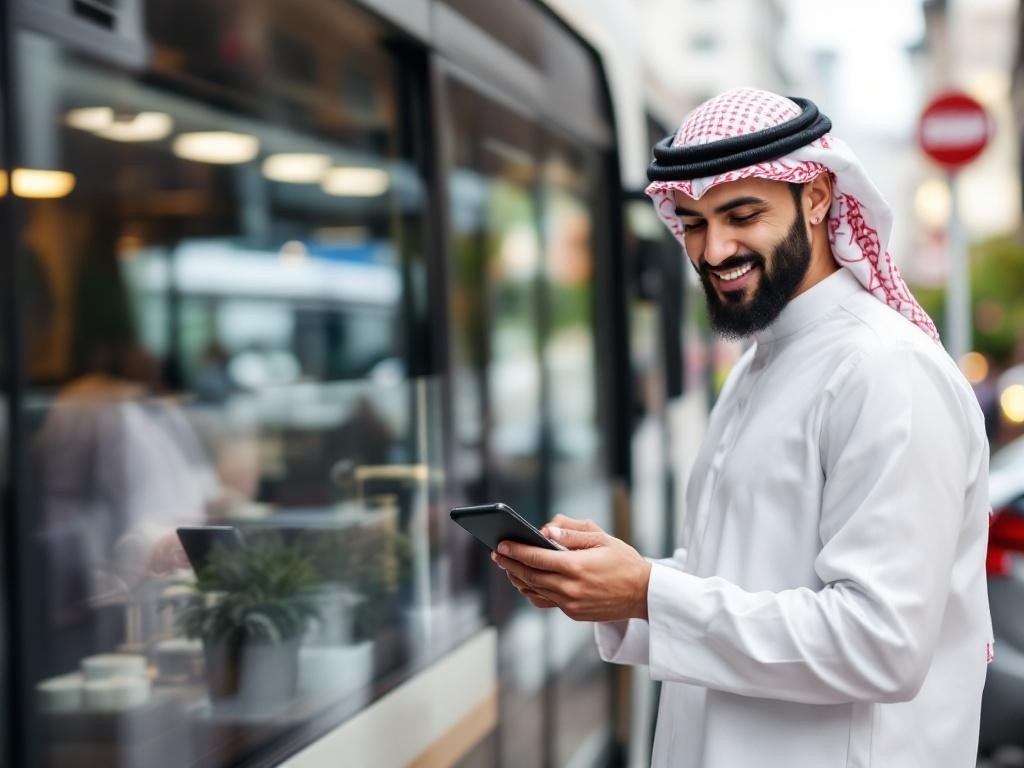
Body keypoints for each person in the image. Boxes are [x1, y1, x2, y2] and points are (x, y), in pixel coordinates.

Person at [491, 89, 992, 767]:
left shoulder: (886, 370)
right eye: (693, 222)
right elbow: (742, 578)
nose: (712, 248)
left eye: (742, 214)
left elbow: (883, 643)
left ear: (816, 198)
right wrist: (612, 586)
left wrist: (647, 591)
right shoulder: (765, 363)